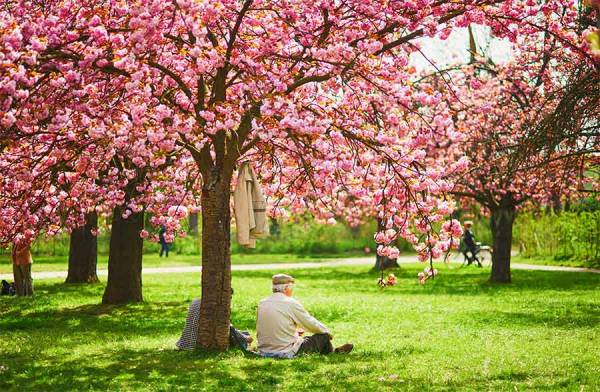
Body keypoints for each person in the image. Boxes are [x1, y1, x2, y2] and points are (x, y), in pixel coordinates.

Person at [256, 273, 353, 358]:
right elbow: (309, 323)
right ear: (286, 288)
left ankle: (333, 351)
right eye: (291, 288)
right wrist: (327, 332)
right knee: (322, 336)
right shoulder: (290, 302)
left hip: (264, 351)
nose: (292, 291)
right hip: (285, 352)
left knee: (305, 339)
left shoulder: (262, 303)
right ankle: (334, 352)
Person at [176, 290, 253, 351]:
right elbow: (229, 328)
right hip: (195, 345)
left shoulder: (196, 301)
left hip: (184, 343)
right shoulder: (216, 307)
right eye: (230, 298)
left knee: (242, 333)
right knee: (242, 336)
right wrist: (245, 338)